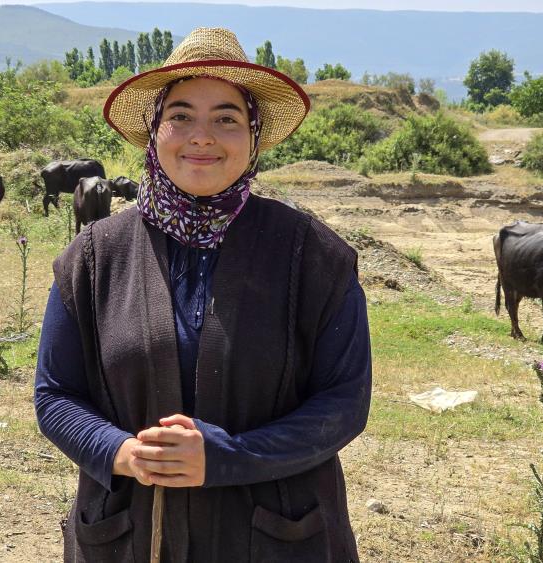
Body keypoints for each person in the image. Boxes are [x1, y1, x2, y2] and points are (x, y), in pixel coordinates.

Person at [34, 27, 372, 563]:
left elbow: (344, 404)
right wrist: (121, 452)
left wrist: (228, 457)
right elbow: (55, 396)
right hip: (126, 535)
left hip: (278, 538)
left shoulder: (314, 256)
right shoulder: (93, 258)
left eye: (227, 118)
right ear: (154, 130)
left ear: (254, 135)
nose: (202, 136)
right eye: (182, 115)